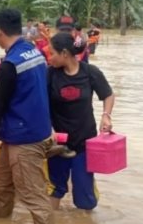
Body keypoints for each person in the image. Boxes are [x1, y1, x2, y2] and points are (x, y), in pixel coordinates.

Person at [0, 8, 57, 224]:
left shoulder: (9, 65)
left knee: (33, 195)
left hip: (25, 138)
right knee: (0, 181)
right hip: (27, 130)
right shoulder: (34, 52)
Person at [46, 32, 115, 210]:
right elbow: (39, 105)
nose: (49, 57)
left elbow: (107, 95)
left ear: (64, 54)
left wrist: (106, 115)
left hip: (84, 142)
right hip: (57, 145)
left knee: (84, 199)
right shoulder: (50, 75)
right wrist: (47, 129)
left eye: (52, 53)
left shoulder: (90, 72)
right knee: (55, 189)